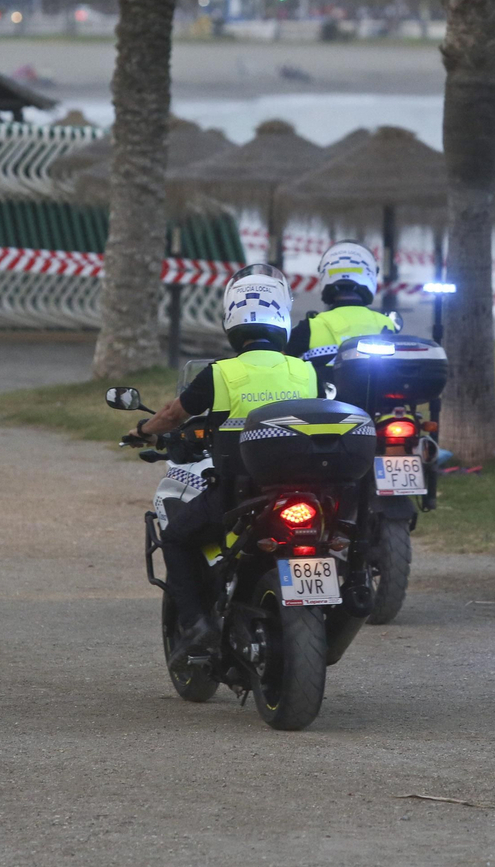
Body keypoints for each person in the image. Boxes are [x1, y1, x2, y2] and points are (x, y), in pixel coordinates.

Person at [123, 264, 318, 668]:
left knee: (176, 538)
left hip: (242, 492)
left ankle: (197, 625)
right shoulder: (305, 370)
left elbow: (173, 415)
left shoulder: (221, 373)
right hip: (304, 489)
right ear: (283, 317)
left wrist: (142, 430)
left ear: (231, 321)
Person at [286, 241, 398, 380]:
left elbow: (279, 364)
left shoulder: (310, 327)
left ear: (325, 275)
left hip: (325, 394)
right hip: (377, 394)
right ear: (370, 274)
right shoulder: (387, 324)